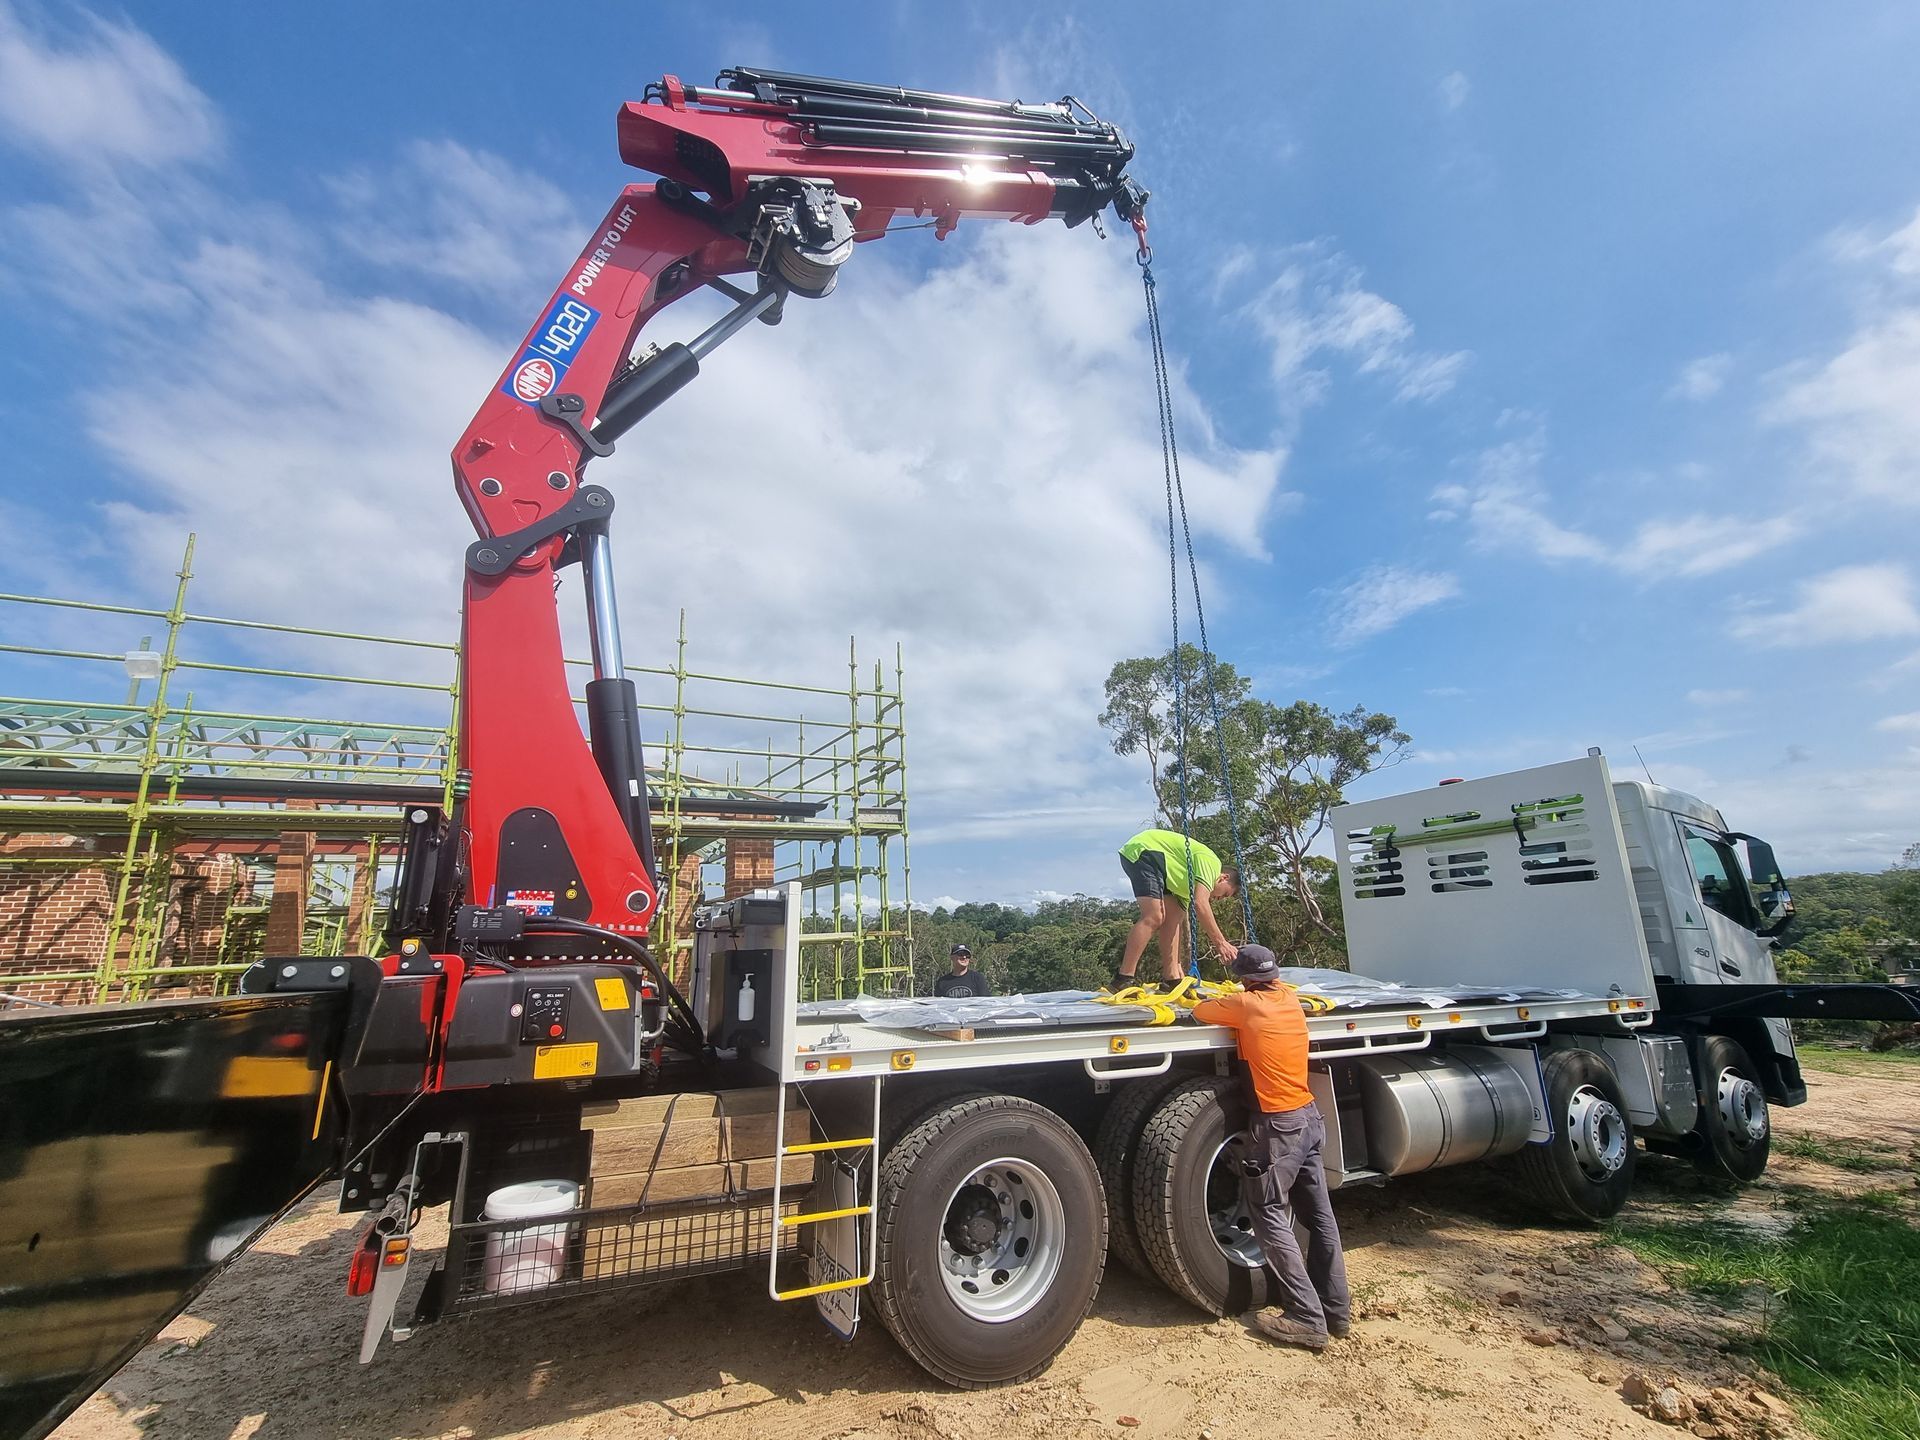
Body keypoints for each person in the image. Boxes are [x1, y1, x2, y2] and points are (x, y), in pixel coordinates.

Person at [1191, 944, 1352, 1352]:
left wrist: (1217, 995)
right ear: (1275, 974)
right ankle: (1336, 1311)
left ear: (1244, 978)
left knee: (1269, 1213)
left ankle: (1305, 1316)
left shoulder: (1244, 1005)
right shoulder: (1291, 998)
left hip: (1278, 1126)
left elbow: (1200, 1012)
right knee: (1320, 1217)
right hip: (1310, 1119)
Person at [1114, 828, 1240, 985]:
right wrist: (1221, 943)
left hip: (1163, 869)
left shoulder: (1187, 887)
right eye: (1225, 894)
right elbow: (1200, 903)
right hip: (1145, 850)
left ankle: (1171, 979)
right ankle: (1123, 978)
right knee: (1154, 916)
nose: (1220, 899)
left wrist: (1177, 965)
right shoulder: (1212, 864)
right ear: (1224, 878)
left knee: (1173, 921)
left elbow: (1173, 927)